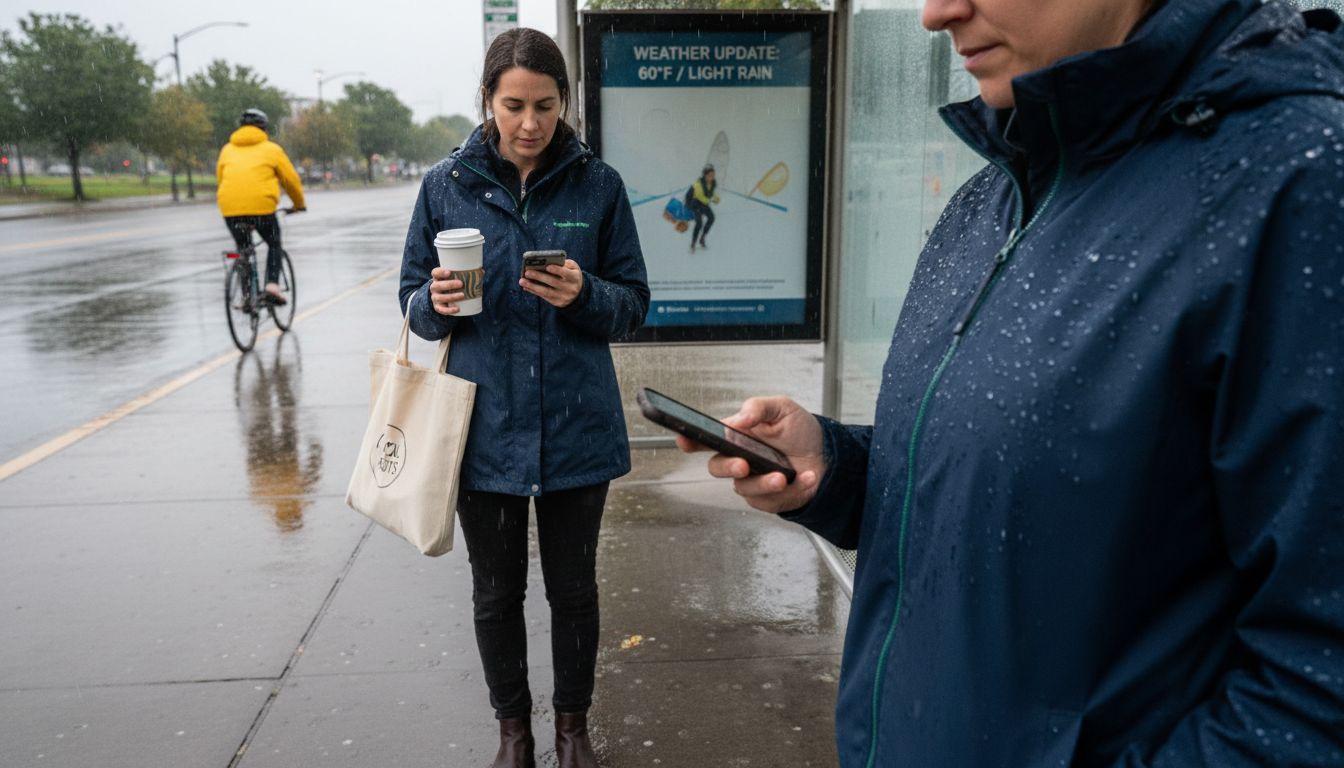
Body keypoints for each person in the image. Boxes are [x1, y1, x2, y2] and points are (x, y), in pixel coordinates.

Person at [679, 0, 1344, 766]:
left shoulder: (1299, 181)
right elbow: (1023, 500)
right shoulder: (994, 196)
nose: (935, 13)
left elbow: (1316, 691)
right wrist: (836, 468)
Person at [398, 27, 650, 768]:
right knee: (494, 596)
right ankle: (515, 735)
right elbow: (411, 299)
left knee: (574, 593)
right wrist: (436, 302)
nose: (530, 123)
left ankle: (573, 731)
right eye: (514, 105)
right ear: (487, 101)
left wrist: (584, 293)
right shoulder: (446, 186)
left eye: (545, 104)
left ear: (565, 100)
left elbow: (633, 304)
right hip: (482, 430)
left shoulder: (597, 185)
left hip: (577, 427)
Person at [216, 108, 306, 304]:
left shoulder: (227, 150)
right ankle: (272, 286)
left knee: (243, 248)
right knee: (274, 243)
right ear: (264, 128)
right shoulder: (271, 149)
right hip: (261, 208)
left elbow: (221, 178)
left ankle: (246, 295)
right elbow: (291, 181)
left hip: (230, 209)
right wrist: (298, 204)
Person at [685, 163, 720, 253]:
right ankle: (693, 243)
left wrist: (716, 198)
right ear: (705, 175)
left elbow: (713, 194)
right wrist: (711, 199)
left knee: (711, 218)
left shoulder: (713, 184)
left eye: (713, 175)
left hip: (704, 204)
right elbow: (700, 197)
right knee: (699, 223)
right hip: (696, 204)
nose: (712, 177)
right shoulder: (698, 184)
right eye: (710, 175)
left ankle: (702, 238)